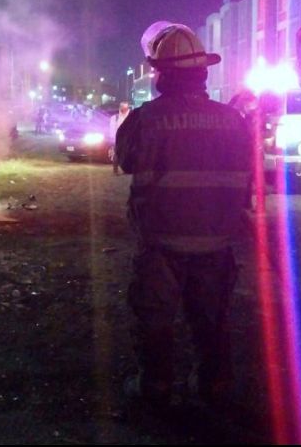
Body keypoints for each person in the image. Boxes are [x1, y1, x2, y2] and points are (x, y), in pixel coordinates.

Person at [115, 22, 251, 409]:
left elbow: (125, 161)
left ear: (162, 74)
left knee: (154, 319)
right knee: (212, 319)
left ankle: (155, 386)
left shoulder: (145, 119)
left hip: (161, 243)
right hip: (216, 242)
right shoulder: (234, 120)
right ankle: (215, 385)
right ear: (202, 72)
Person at [110, 101, 131, 174]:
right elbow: (112, 129)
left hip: (128, 139)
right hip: (117, 139)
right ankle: (115, 170)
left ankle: (126, 169)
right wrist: (113, 140)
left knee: (127, 155)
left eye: (125, 108)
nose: (124, 109)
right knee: (116, 154)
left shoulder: (131, 117)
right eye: (123, 107)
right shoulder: (115, 117)